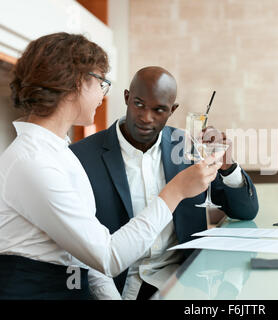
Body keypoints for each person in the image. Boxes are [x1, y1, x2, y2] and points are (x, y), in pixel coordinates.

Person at [0, 33, 222, 300]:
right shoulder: (33, 162)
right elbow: (107, 256)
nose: (103, 95)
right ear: (76, 83)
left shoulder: (59, 153)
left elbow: (87, 259)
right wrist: (175, 192)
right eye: (101, 82)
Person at [70, 66, 259, 300]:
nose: (146, 117)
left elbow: (245, 210)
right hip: (120, 286)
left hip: (185, 282)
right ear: (127, 98)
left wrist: (228, 165)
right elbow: (79, 251)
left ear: (173, 110)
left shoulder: (186, 148)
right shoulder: (81, 157)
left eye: (159, 109)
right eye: (139, 104)